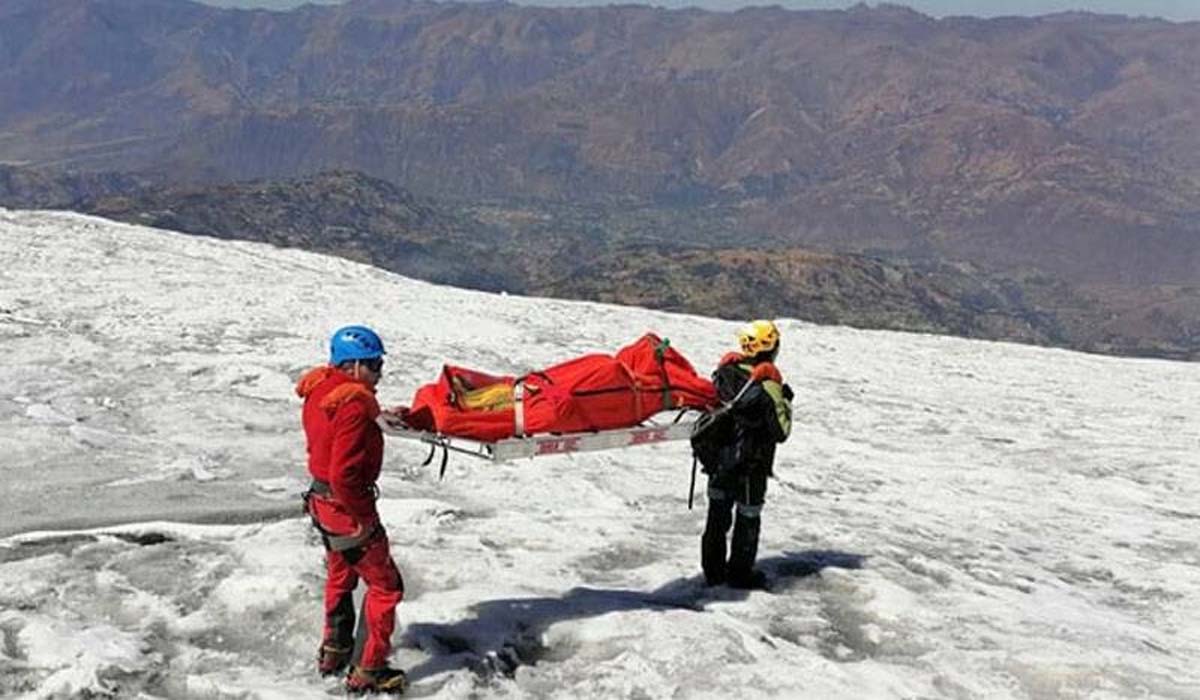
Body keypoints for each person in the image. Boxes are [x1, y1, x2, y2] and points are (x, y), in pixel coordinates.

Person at [295, 325, 407, 694]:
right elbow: (344, 474)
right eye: (374, 365)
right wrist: (363, 520)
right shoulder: (354, 403)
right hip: (345, 509)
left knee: (341, 575)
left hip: (321, 504)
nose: (378, 373)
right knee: (385, 586)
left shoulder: (320, 388)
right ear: (355, 364)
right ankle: (369, 669)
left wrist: (377, 416)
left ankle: (335, 649)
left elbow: (333, 428)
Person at [701, 319, 793, 590]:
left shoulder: (723, 373)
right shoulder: (768, 384)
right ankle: (740, 576)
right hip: (751, 467)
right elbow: (781, 431)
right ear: (771, 347)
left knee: (717, 518)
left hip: (718, 463)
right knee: (747, 518)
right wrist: (784, 397)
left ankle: (713, 574)